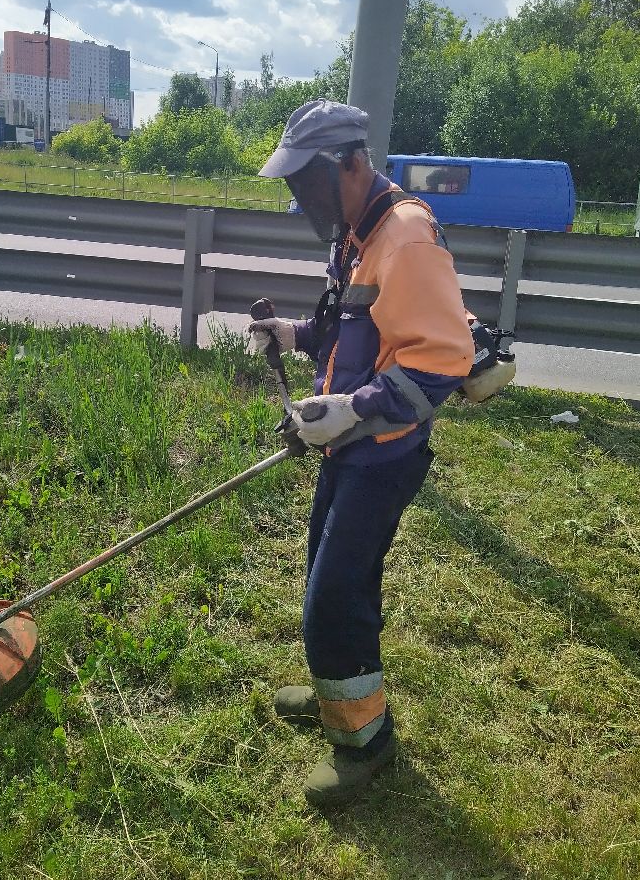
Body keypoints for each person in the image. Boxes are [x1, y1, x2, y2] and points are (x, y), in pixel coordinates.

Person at [249, 99, 474, 807]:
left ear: (350, 163)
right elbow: (347, 336)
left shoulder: (404, 237)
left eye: (306, 182)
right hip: (348, 449)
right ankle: (346, 700)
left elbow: (441, 364)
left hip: (383, 455)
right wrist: (291, 335)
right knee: (335, 576)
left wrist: (350, 409)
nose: (300, 199)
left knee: (331, 600)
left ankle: (364, 744)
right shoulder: (355, 234)